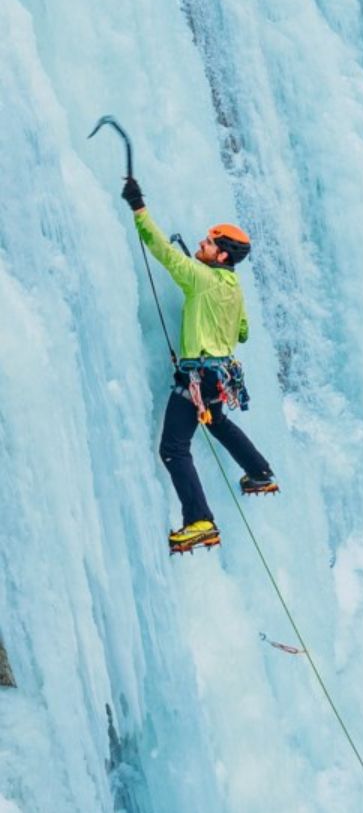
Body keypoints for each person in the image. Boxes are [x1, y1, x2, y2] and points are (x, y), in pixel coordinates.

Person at [122, 176, 278, 554]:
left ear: (222, 255)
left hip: (197, 376)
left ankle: (200, 521)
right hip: (221, 375)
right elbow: (243, 332)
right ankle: (259, 472)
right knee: (217, 421)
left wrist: (138, 207)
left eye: (208, 243)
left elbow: (162, 250)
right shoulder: (233, 289)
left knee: (173, 448)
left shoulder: (201, 279)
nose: (201, 244)